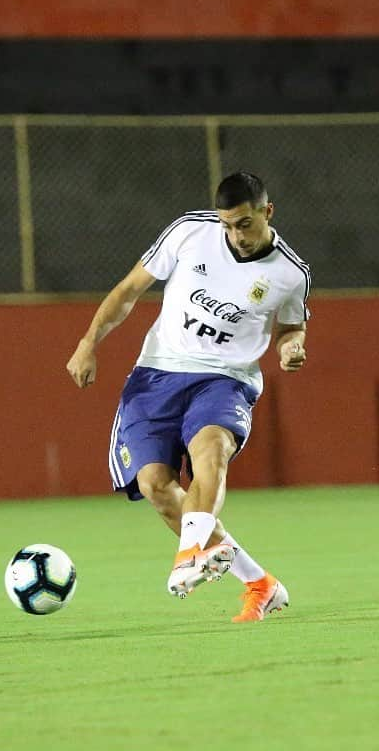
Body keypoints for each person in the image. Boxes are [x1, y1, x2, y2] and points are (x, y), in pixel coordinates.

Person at [66, 172, 310, 622]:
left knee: (210, 450)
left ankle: (189, 556)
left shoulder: (291, 273)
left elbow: (292, 327)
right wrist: (89, 342)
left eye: (244, 224)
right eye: (228, 225)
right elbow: (128, 290)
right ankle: (260, 584)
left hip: (225, 378)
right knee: (156, 486)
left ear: (267, 212)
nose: (235, 235)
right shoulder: (189, 232)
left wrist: (290, 347)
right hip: (157, 373)